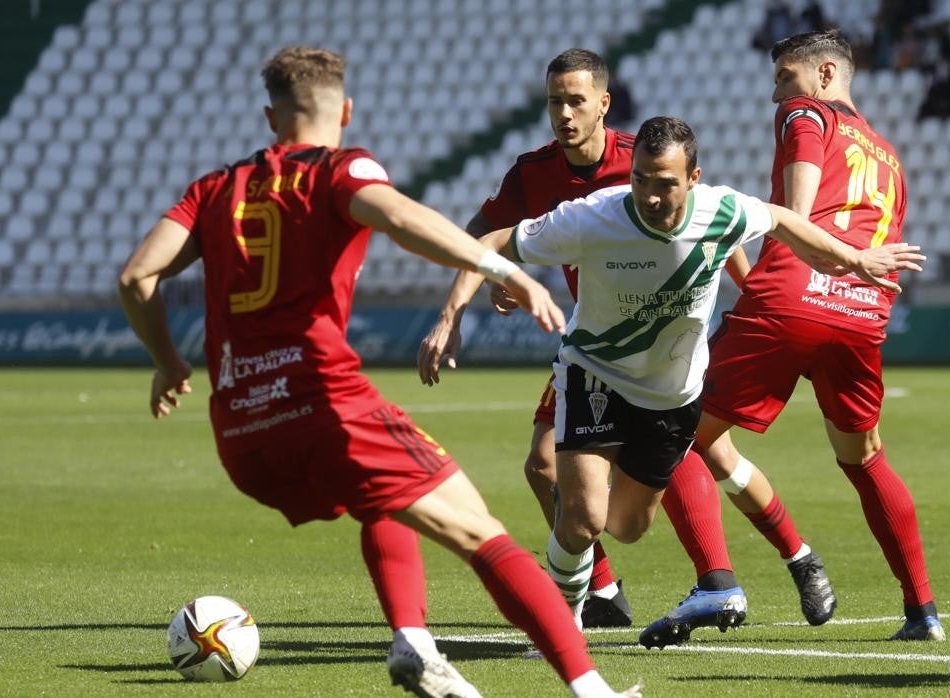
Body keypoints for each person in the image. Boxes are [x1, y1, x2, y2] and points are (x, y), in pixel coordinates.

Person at [118, 46, 639, 698]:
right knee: (484, 535)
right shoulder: (342, 169)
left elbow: (136, 277)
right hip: (325, 406)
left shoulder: (214, 187)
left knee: (385, 500)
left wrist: (169, 361)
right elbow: (400, 217)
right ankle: (592, 691)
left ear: (270, 117)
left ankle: (414, 642)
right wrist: (503, 269)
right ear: (346, 111)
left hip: (240, 432)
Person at [452, 116, 922, 637]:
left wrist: (854, 258)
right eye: (640, 180)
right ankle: (562, 623)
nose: (649, 197)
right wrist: (452, 316)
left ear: (693, 179)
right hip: (595, 373)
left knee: (627, 525)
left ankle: (775, 557)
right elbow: (492, 240)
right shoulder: (593, 216)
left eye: (665, 184)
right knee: (583, 518)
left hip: (670, 395)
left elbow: (782, 220)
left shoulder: (722, 210)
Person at [419, 49, 742, 635]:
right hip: (598, 344)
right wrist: (494, 279)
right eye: (554, 102)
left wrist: (750, 296)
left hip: (665, 343)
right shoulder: (532, 172)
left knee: (683, 450)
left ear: (603, 104)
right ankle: (603, 589)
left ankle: (720, 579)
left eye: (575, 101)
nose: (564, 114)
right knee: (545, 467)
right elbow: (482, 233)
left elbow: (716, 223)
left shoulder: (642, 161)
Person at [693, 29, 945, 641]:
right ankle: (922, 612)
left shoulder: (805, 113)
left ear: (826, 73)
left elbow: (797, 217)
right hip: (860, 313)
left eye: (786, 76)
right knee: (865, 457)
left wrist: (783, 254)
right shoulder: (889, 156)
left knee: (672, 433)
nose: (776, 93)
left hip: (792, 297)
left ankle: (717, 584)